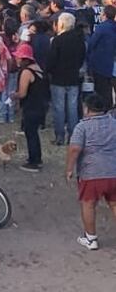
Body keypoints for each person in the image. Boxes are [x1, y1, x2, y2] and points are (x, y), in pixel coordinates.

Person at [65, 93, 116, 250]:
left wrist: (69, 168)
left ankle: (91, 238)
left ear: (86, 108)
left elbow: (75, 149)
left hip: (91, 173)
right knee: (114, 203)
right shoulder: (114, 123)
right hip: (113, 171)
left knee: (88, 204)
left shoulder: (82, 127)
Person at [46, 12, 85, 145]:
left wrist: (49, 71)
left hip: (58, 78)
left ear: (61, 24)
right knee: (73, 108)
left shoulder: (57, 40)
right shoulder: (79, 40)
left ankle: (59, 136)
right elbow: (81, 58)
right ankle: (73, 136)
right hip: (73, 77)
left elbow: (51, 60)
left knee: (59, 108)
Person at [11, 43, 49, 171]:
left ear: (24, 59)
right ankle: (36, 157)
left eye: (18, 57)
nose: (16, 59)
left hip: (31, 107)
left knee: (30, 134)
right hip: (40, 106)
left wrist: (13, 96)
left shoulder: (26, 72)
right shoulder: (38, 68)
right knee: (34, 133)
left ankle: (34, 161)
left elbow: (22, 93)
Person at [85, 4, 116, 110]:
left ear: (105, 15)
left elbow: (91, 44)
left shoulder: (101, 28)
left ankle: (103, 111)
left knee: (102, 91)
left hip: (101, 65)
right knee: (109, 90)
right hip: (112, 64)